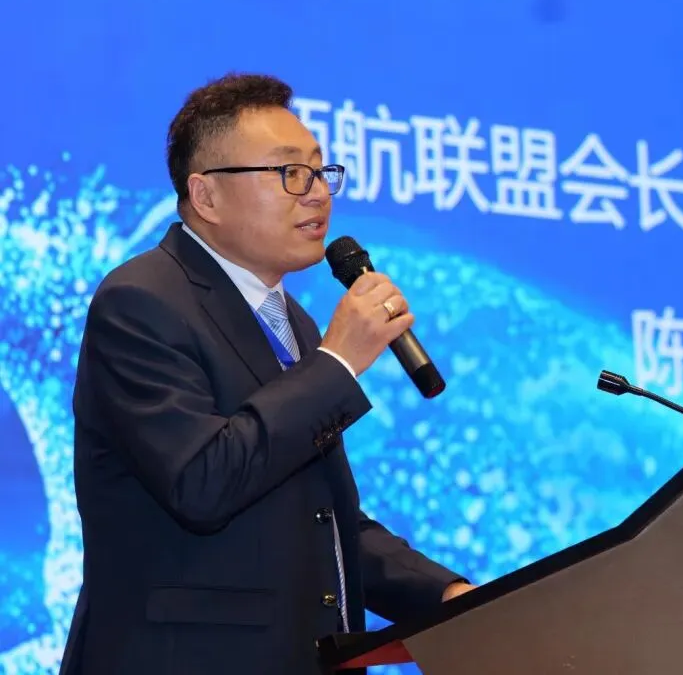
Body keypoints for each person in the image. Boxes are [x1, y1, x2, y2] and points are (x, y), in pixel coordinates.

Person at [59, 73, 476, 675]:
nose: (317, 193)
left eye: (320, 171)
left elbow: (318, 516)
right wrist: (337, 364)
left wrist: (443, 594)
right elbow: (202, 483)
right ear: (206, 196)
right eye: (290, 173)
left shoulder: (293, 323)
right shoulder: (141, 301)